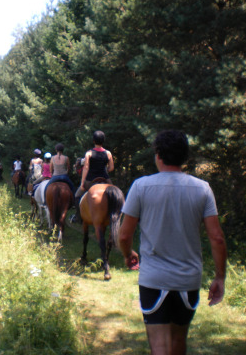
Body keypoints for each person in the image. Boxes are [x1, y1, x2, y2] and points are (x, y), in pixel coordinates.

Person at [118, 130, 227, 355]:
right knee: (178, 342)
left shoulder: (141, 186)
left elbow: (124, 235)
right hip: (188, 279)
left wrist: (128, 254)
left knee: (160, 347)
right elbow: (217, 238)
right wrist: (220, 277)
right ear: (184, 156)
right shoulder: (202, 188)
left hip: (153, 279)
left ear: (158, 155)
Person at [72, 130, 114, 222]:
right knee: (115, 193)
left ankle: (78, 217)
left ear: (93, 141)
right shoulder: (108, 153)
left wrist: (82, 183)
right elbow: (111, 168)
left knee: (77, 195)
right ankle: (116, 214)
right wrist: (104, 170)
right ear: (103, 141)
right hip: (105, 178)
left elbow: (86, 168)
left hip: (90, 179)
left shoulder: (89, 153)